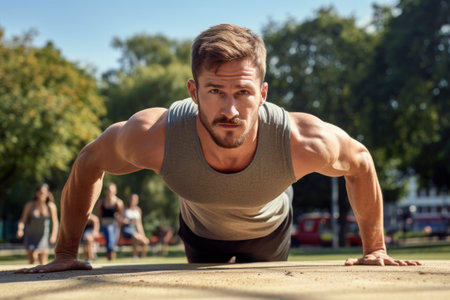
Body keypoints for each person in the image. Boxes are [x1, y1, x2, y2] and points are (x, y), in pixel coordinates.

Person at [17, 23, 420, 273]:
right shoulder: (155, 134)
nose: (230, 109)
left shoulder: (300, 139)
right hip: (200, 230)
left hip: (268, 229)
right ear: (193, 91)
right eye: (215, 91)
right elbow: (89, 161)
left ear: (262, 93)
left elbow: (361, 162)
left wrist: (376, 248)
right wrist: (66, 251)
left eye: (243, 92)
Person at [16, 183, 59, 265]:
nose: (42, 194)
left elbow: (55, 222)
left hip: (43, 235)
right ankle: (30, 276)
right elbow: (22, 220)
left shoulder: (51, 206)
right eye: (40, 192)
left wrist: (54, 235)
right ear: (36, 193)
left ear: (48, 193)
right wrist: (20, 229)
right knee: (32, 259)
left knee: (43, 258)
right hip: (30, 235)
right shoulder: (30, 205)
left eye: (44, 192)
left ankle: (42, 277)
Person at [96, 182, 124, 261]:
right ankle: (110, 257)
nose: (109, 192)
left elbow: (121, 217)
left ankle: (111, 257)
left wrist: (118, 218)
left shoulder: (118, 202)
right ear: (106, 191)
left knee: (112, 242)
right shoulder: (101, 202)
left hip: (115, 225)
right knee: (109, 233)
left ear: (115, 191)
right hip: (105, 224)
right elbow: (99, 216)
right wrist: (98, 228)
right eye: (108, 190)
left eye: (111, 190)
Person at [122, 193, 149, 259]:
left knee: (146, 241)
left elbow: (139, 224)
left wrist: (143, 234)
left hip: (134, 229)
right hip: (127, 229)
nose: (133, 200)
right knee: (135, 237)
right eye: (132, 199)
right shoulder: (125, 209)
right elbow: (120, 221)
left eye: (135, 199)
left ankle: (143, 257)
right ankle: (135, 255)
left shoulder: (138, 210)